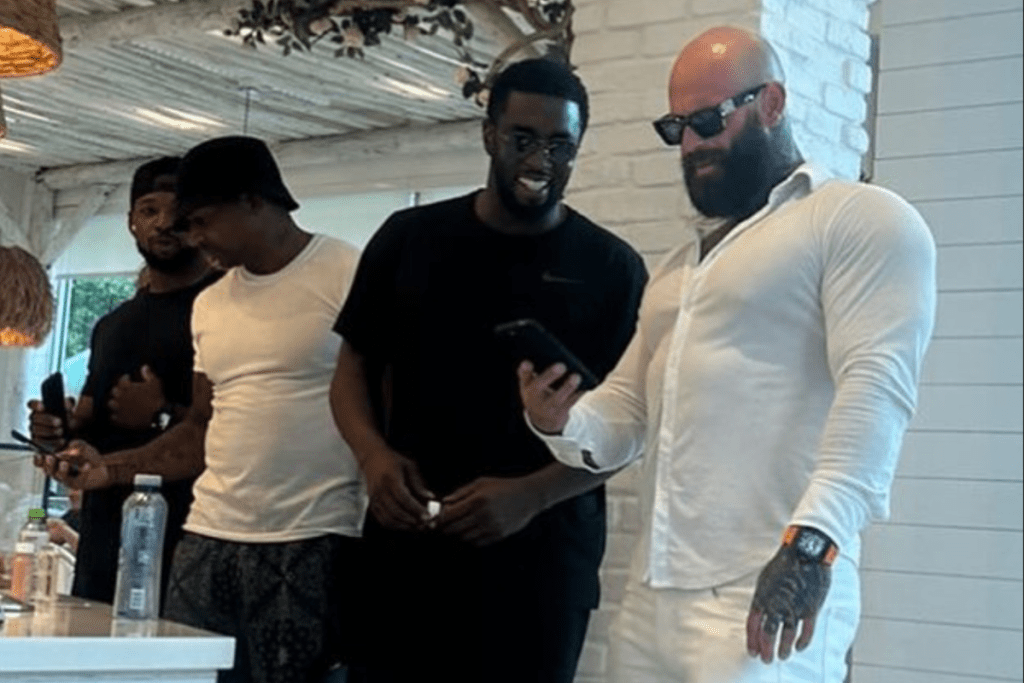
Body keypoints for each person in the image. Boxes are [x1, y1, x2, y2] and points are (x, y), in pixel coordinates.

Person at [519, 27, 937, 683]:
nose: (691, 144)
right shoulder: (678, 268)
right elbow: (626, 411)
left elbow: (876, 387)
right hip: (653, 595)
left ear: (772, 103)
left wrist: (813, 544)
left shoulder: (856, 219)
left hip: (763, 590)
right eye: (676, 128)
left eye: (708, 121)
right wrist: (560, 420)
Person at [330, 58, 648, 683]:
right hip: (408, 546)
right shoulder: (409, 239)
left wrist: (533, 494)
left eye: (560, 145)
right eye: (522, 138)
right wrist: (372, 457)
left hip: (543, 563)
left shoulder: (612, 268)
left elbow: (633, 426)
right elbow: (352, 369)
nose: (540, 159)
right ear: (488, 135)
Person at [43, 136, 363, 683]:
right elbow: (199, 429)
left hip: (312, 535)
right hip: (206, 534)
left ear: (253, 200)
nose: (191, 237)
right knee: (175, 676)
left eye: (201, 221)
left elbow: (388, 405)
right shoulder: (211, 304)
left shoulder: (347, 271)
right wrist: (107, 470)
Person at [30, 156, 218, 605]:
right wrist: (58, 433)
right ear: (131, 221)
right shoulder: (113, 324)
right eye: (149, 211)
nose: (164, 223)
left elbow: (234, 425)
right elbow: (90, 420)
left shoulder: (223, 307)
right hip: (103, 524)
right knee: (91, 642)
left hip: (187, 529)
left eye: (177, 211)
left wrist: (161, 413)